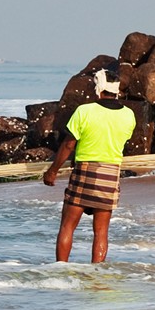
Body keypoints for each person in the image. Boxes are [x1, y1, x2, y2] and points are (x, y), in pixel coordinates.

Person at [43, 69, 137, 262]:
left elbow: (69, 144)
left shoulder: (84, 111)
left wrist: (52, 171)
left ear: (99, 89)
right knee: (101, 232)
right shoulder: (129, 115)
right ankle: (97, 273)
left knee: (68, 226)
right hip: (111, 173)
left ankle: (61, 269)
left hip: (85, 170)